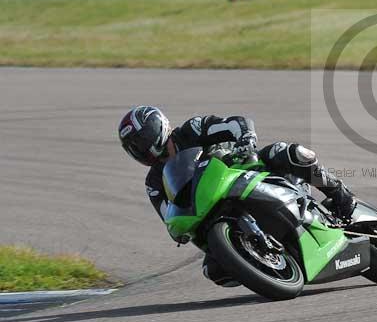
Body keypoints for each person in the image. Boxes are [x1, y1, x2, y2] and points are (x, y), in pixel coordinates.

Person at [118, 105, 356, 287]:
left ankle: (342, 197)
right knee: (214, 270)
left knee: (291, 153)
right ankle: (262, 263)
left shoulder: (191, 130)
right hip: (210, 208)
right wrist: (177, 230)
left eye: (141, 140)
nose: (141, 149)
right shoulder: (153, 182)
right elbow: (168, 214)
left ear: (157, 127)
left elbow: (235, 124)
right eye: (134, 147)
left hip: (248, 170)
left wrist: (245, 138)